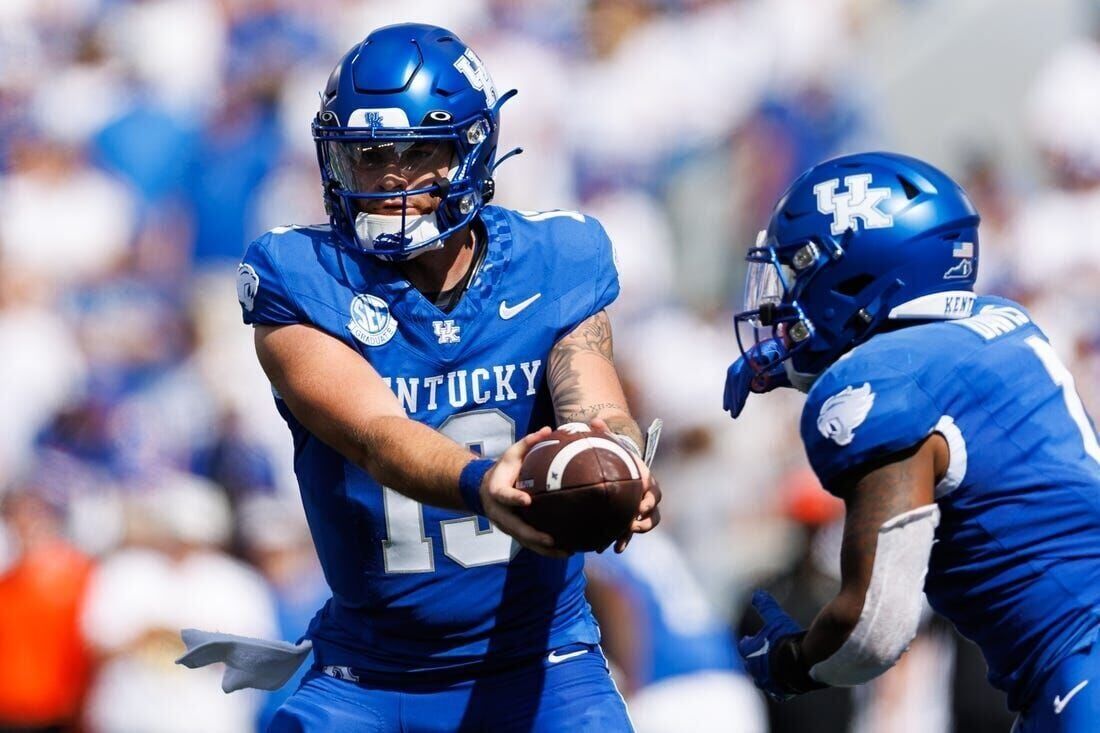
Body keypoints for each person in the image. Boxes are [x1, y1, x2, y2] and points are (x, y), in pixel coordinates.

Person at [234, 23, 660, 732]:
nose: (392, 178)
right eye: (369, 157)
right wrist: (480, 484)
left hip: (543, 663)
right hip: (367, 678)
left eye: (418, 152)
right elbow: (376, 434)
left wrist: (619, 457)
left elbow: (592, 394)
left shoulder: (554, 258)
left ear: (474, 148)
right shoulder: (298, 277)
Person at [723, 151, 1100, 732]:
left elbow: (874, 627)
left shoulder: (883, 383)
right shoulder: (1001, 323)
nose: (781, 303)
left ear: (855, 274)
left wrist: (793, 661)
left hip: (1080, 668)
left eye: (799, 270)